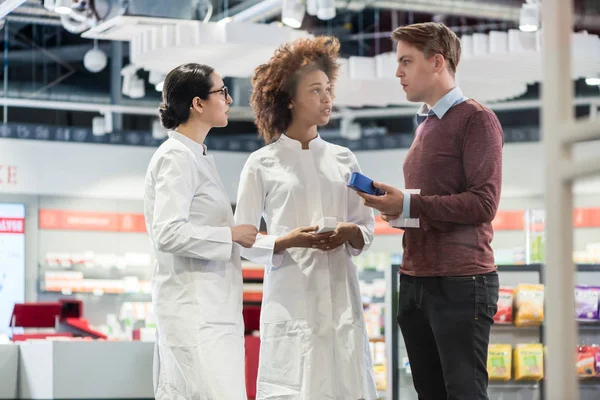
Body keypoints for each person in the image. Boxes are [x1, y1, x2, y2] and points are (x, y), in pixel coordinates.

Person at [357, 22, 503, 400]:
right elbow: (434, 203)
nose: (397, 72)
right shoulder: (426, 124)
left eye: (406, 61)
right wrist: (399, 211)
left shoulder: (476, 118)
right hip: (417, 279)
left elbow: (483, 203)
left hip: (460, 282)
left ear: (437, 62)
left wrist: (407, 203)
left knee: (463, 392)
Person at [234, 36, 378, 400]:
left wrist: (349, 231)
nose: (327, 98)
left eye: (328, 89)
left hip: (341, 295)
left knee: (346, 383)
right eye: (315, 91)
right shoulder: (262, 163)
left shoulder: (344, 159)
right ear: (289, 99)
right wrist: (286, 240)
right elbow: (244, 239)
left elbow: (367, 229)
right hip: (291, 297)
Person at [143, 63, 258, 400]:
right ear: (197, 103)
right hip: (193, 313)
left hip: (211, 311)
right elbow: (166, 233)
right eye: (221, 92)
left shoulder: (197, 156)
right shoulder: (176, 158)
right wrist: (231, 235)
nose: (228, 99)